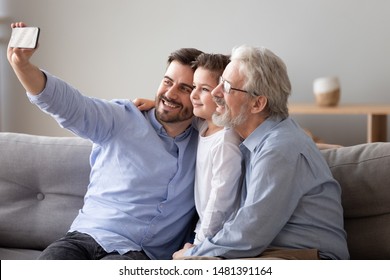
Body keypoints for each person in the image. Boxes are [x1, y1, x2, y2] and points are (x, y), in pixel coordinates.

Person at [7, 22, 203, 260]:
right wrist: (22, 65)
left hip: (138, 255)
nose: (170, 93)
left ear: (200, 95)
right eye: (167, 82)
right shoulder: (123, 117)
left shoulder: (207, 143)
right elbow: (70, 106)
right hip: (84, 239)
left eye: (184, 88)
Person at [173, 45, 350, 260]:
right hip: (273, 252)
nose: (216, 93)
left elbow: (249, 233)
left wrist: (193, 254)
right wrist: (159, 108)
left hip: (309, 258)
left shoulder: (279, 149)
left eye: (227, 87)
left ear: (257, 103)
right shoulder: (256, 139)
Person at [135, 53, 243, 245]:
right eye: (194, 87)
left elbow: (220, 204)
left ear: (221, 94)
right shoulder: (203, 126)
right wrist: (157, 104)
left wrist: (198, 247)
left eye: (203, 89)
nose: (193, 95)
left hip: (218, 238)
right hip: (203, 232)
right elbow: (186, 116)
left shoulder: (226, 143)